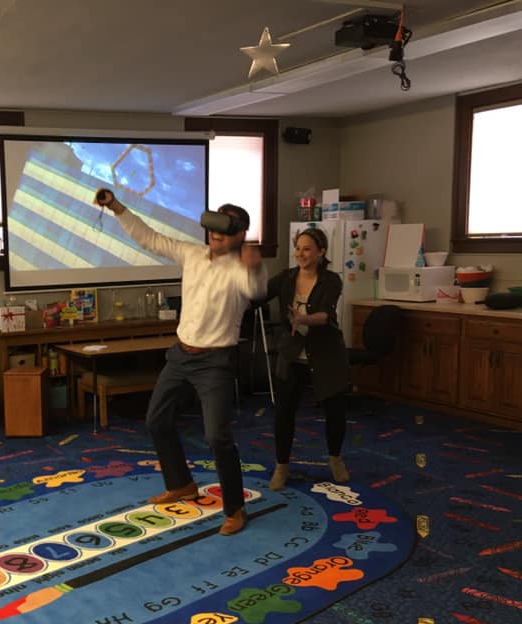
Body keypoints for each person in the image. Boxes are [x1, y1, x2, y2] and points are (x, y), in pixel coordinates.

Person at [94, 188, 268, 535]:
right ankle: (182, 484)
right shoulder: (191, 254)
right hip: (180, 354)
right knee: (156, 421)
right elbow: (150, 238)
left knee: (217, 436)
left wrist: (255, 265)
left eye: (225, 228)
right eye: (214, 225)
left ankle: (235, 509)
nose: (215, 233)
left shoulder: (241, 270)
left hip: (215, 362)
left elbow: (256, 291)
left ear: (238, 235)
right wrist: (114, 206)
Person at [266, 227, 351, 489]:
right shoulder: (286, 278)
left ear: (321, 252)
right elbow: (257, 295)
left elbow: (325, 315)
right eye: (298, 248)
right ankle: (281, 466)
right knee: (284, 413)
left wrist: (303, 318)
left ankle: (335, 459)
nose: (300, 254)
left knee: (335, 410)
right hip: (292, 353)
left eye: (307, 249)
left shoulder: (331, 280)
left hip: (325, 352)